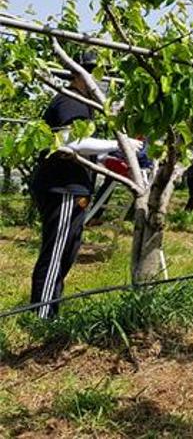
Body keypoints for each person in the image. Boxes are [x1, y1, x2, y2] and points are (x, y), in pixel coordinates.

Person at [30, 52, 141, 318]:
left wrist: (110, 155)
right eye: (98, 74)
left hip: (73, 189)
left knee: (67, 249)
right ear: (80, 75)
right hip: (64, 187)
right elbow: (69, 142)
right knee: (58, 251)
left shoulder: (82, 105)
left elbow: (86, 149)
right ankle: (42, 316)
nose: (103, 82)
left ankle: (49, 308)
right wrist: (119, 144)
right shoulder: (71, 103)